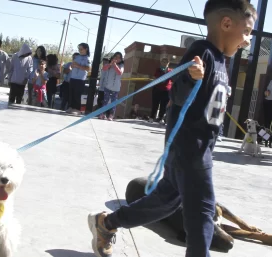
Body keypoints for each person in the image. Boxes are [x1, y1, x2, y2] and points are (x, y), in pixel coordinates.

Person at [87, 1, 256, 257]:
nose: (247, 41)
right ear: (226, 24)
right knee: (202, 212)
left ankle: (106, 223)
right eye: (246, 32)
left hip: (198, 149)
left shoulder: (223, 60)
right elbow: (176, 94)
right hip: (190, 149)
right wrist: (190, 76)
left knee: (164, 202)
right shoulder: (202, 52)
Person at [67, 43, 91, 115]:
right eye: (79, 49)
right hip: (73, 77)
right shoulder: (77, 57)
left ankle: (77, 108)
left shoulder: (87, 58)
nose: (80, 50)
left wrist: (78, 66)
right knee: (71, 93)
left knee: (77, 94)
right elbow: (73, 64)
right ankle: (71, 106)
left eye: (81, 49)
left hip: (80, 79)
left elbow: (88, 68)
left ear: (85, 49)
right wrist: (72, 66)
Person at [99, 52, 124, 121]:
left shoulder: (121, 65)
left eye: (119, 57)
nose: (117, 59)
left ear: (121, 59)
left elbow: (120, 73)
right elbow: (104, 69)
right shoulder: (109, 65)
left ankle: (111, 115)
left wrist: (115, 65)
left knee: (113, 102)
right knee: (105, 101)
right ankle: (102, 114)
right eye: (115, 57)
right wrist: (110, 64)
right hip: (107, 86)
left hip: (115, 88)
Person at [150, 57, 173, 123]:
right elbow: (156, 77)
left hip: (166, 90)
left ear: (168, 63)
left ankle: (161, 118)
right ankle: (152, 117)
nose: (164, 63)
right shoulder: (158, 70)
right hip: (157, 89)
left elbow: (172, 79)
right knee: (155, 104)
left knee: (164, 105)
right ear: (161, 62)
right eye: (163, 61)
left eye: (166, 62)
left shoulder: (170, 71)